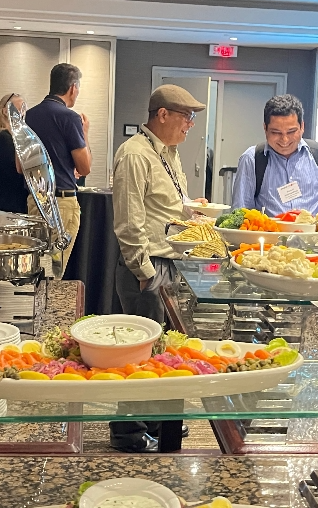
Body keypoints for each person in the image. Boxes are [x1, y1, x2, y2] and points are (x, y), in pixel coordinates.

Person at [110, 84, 206, 453]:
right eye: (186, 117)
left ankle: (154, 423)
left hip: (168, 262)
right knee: (136, 354)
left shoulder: (166, 152)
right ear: (162, 115)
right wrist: (144, 272)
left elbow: (167, 205)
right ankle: (128, 434)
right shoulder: (135, 154)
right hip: (146, 267)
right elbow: (129, 222)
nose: (190, 125)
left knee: (161, 351)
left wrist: (191, 212)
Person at [231, 94, 318, 225]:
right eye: (276, 132)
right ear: (265, 128)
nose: (285, 140)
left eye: (291, 132)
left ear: (302, 127)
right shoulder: (252, 158)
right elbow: (241, 212)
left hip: (313, 241)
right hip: (270, 242)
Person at [25, 64, 90, 275]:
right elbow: (85, 167)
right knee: (55, 268)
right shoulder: (69, 117)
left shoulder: (30, 116)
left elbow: (20, 165)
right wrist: (85, 132)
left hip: (35, 200)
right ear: (73, 88)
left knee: (37, 267)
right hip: (61, 203)